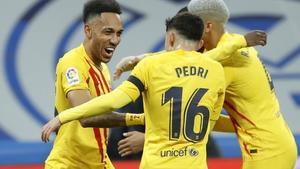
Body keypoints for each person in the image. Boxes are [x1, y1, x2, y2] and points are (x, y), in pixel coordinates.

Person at [41, 13, 266, 168]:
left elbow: (114, 100)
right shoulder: (215, 71)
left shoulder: (151, 66)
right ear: (200, 44)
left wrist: (63, 116)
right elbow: (211, 121)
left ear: (169, 37)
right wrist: (246, 126)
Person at [113, 1, 298, 168]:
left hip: (267, 152)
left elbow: (181, 77)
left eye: (193, 25)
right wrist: (140, 59)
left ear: (208, 26)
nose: (188, 31)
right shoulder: (230, 43)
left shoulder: (228, 58)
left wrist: (148, 138)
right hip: (274, 143)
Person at [44, 1, 144, 169]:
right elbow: (87, 116)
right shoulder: (72, 62)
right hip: (69, 165)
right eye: (108, 32)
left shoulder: (103, 68)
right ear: (88, 30)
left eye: (119, 33)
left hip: (99, 162)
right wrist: (138, 118)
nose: (115, 40)